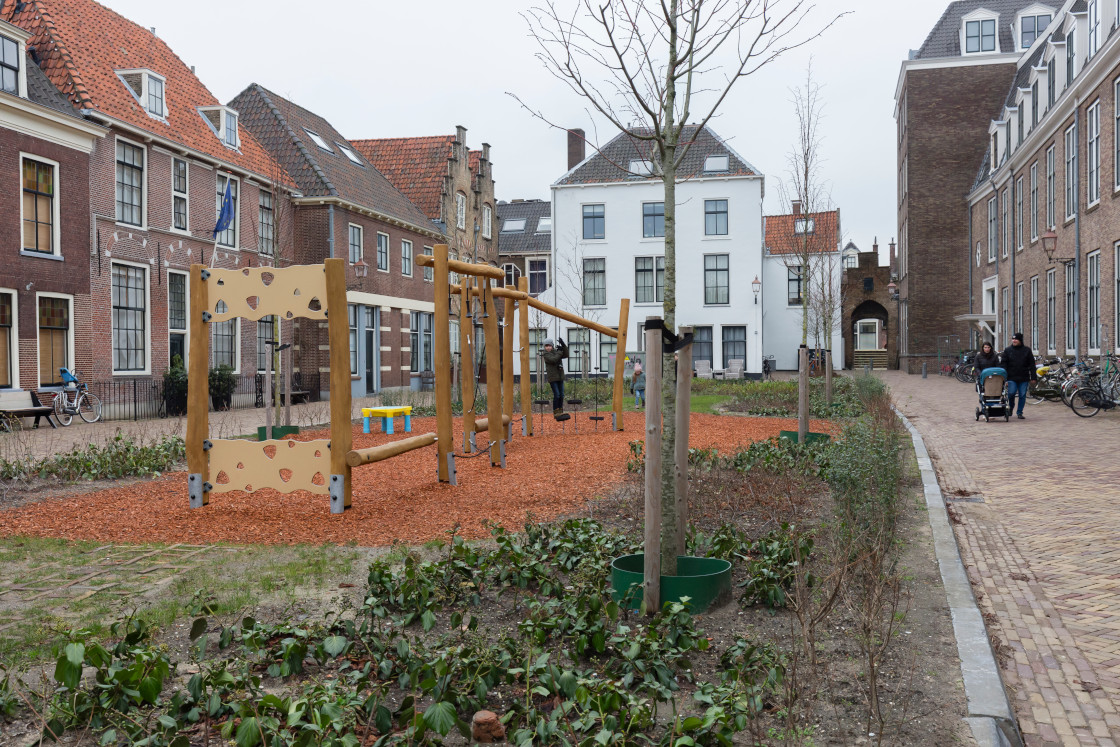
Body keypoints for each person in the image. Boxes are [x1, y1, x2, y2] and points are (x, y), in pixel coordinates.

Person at [1001, 333, 1037, 419]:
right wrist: (1004, 378)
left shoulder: (1027, 350)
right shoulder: (1008, 350)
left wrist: (1033, 377)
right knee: (1011, 393)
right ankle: (1010, 407)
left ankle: (1019, 412)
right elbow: (1003, 364)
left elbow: (1032, 365)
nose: (1014, 341)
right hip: (1011, 377)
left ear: (1020, 340)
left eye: (1016, 339)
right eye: (1013, 339)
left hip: (1023, 377)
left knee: (1022, 395)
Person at [541, 338, 569, 418]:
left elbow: (566, 355)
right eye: (546, 346)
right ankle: (556, 411)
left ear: (552, 346)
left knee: (562, 395)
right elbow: (554, 359)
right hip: (553, 378)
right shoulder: (546, 354)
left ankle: (560, 410)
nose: (548, 348)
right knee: (557, 394)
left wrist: (563, 346)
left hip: (560, 376)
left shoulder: (556, 352)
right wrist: (560, 351)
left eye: (549, 346)